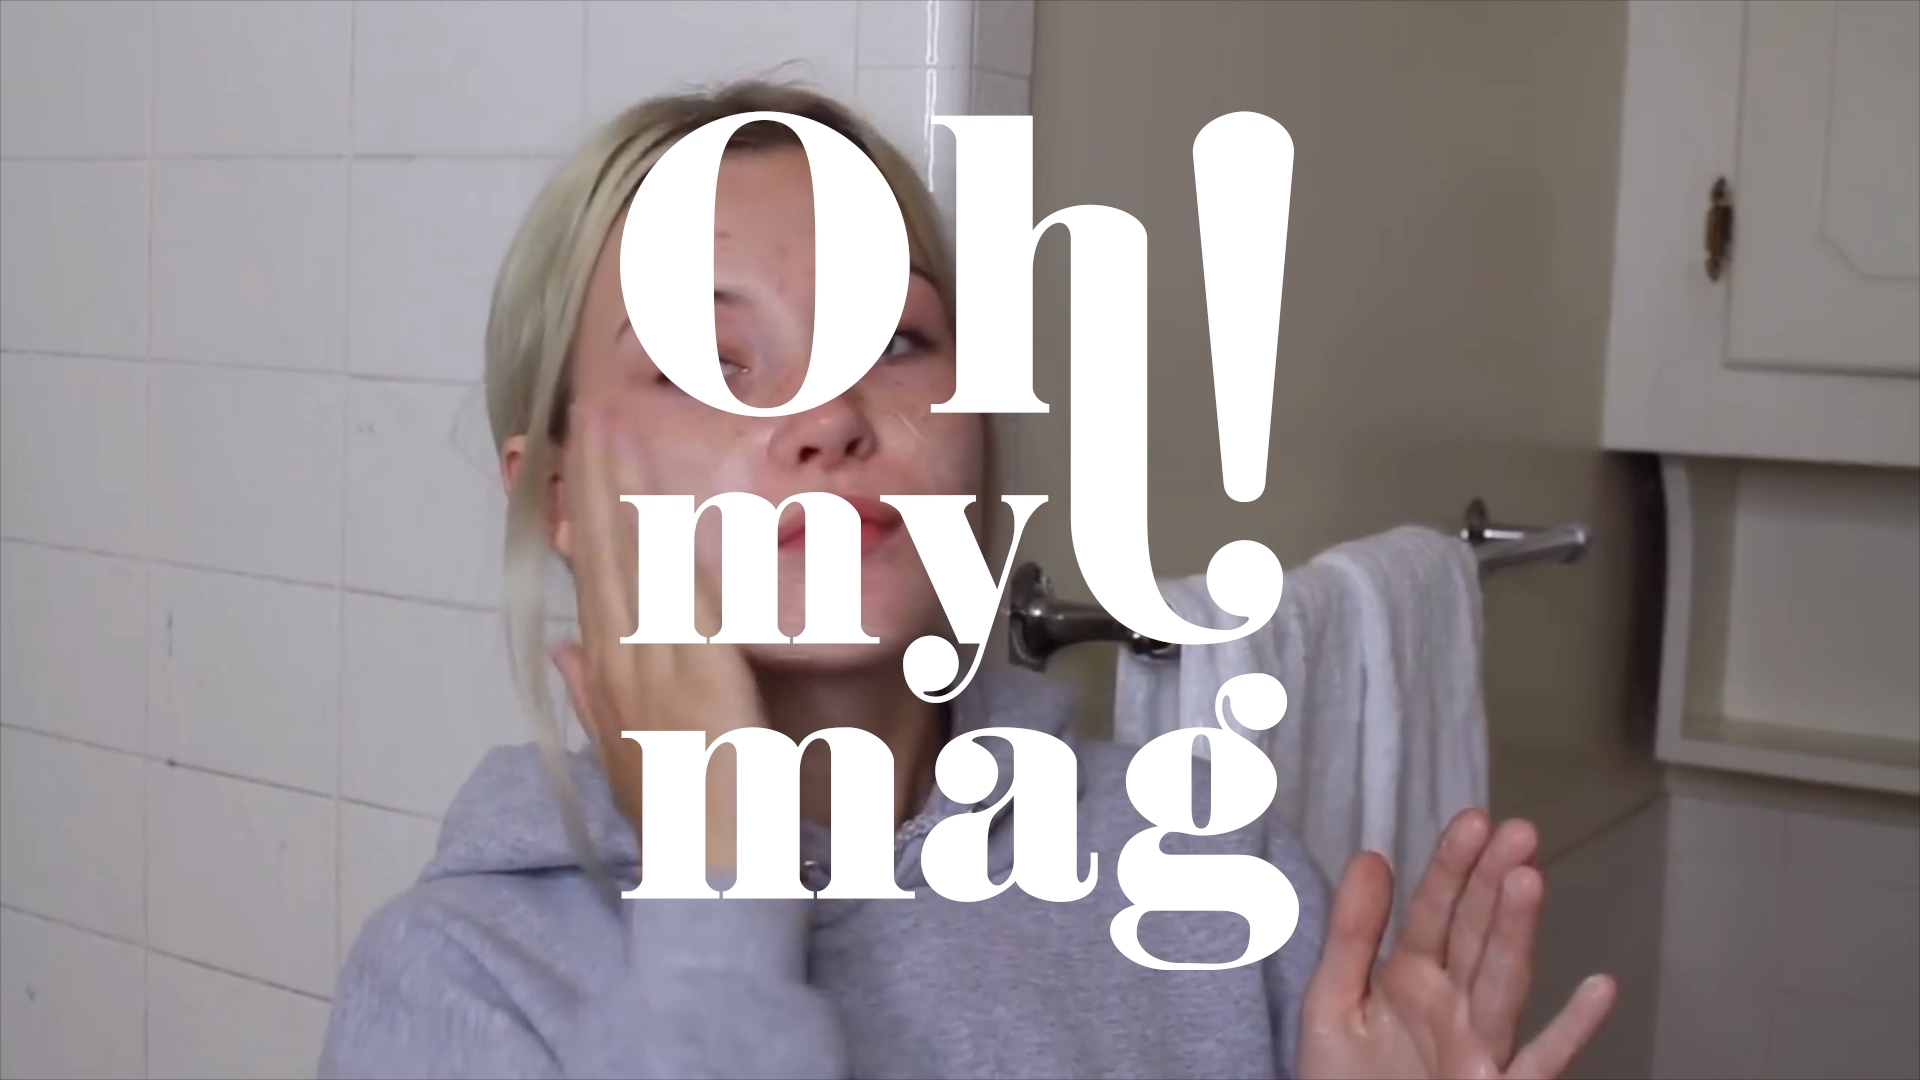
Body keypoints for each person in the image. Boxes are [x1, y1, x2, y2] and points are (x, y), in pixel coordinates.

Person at [318, 82, 1616, 1080]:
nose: (832, 417)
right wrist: (720, 895)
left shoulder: (1207, 866)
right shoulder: (462, 984)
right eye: (710, 362)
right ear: (558, 497)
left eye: (896, 338)